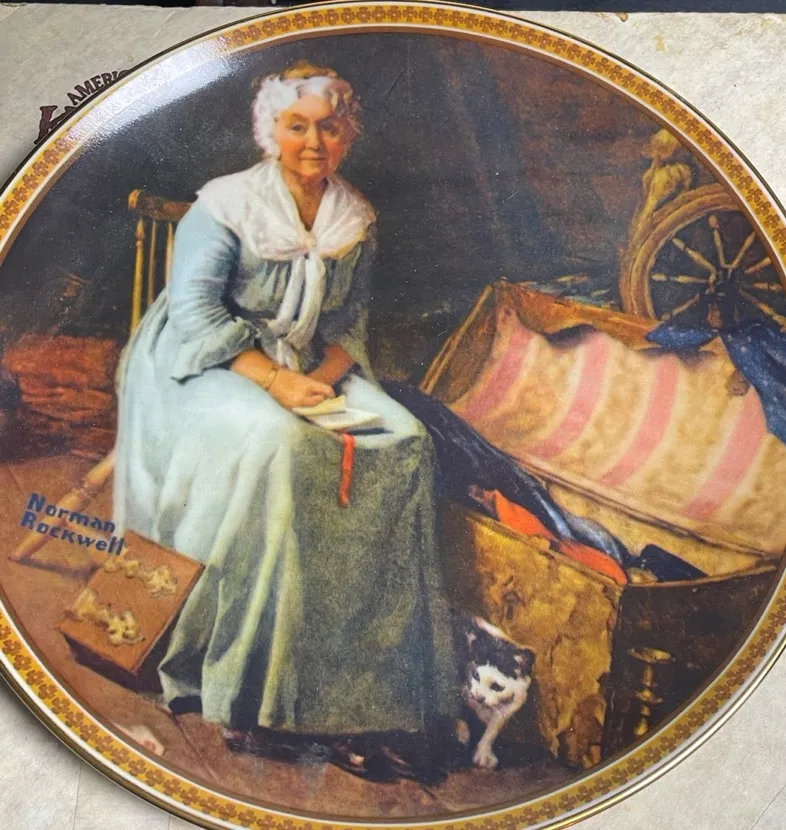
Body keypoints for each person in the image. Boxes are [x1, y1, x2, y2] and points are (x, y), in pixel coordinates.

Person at [113, 62, 458, 749]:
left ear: (349, 133)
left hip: (305, 366)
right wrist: (275, 383)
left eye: (329, 127)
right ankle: (252, 685)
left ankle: (365, 679)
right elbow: (194, 317)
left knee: (408, 439)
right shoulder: (226, 204)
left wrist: (321, 382)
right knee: (282, 442)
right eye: (296, 126)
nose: (313, 143)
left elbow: (350, 325)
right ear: (269, 131)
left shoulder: (355, 219)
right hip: (204, 363)